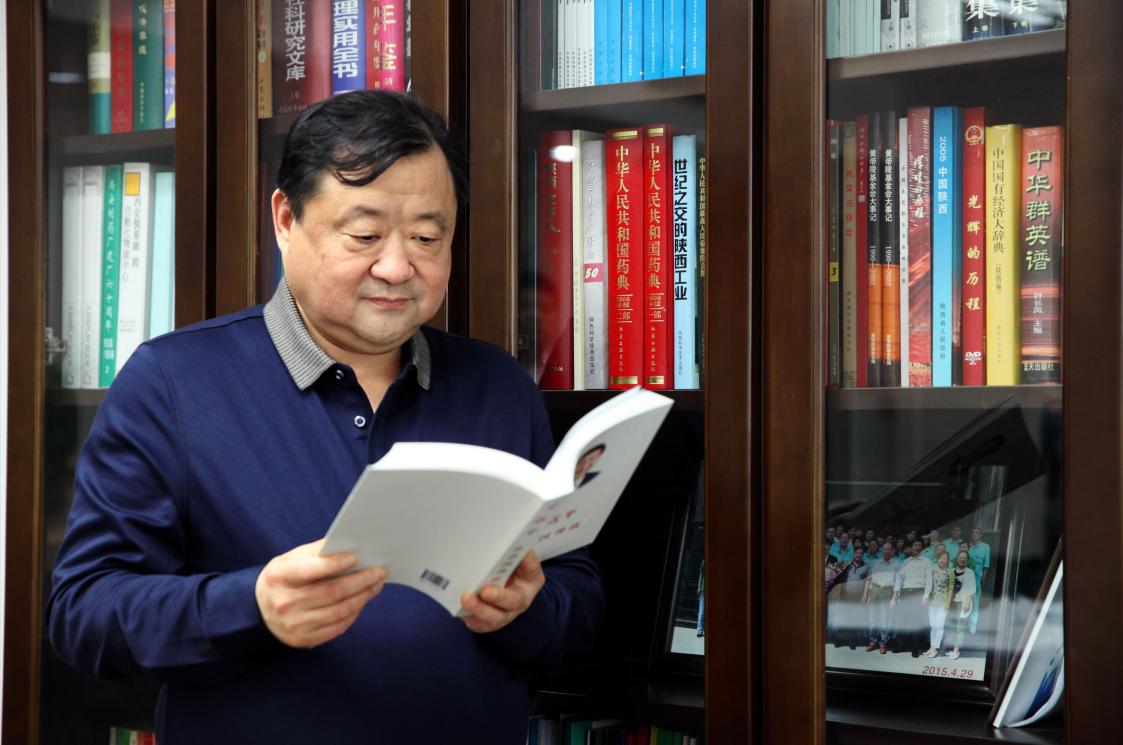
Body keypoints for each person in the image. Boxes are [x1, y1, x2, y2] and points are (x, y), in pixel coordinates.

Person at [43, 91, 605, 745]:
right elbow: (84, 614)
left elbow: (578, 604)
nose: (397, 267)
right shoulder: (172, 382)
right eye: (364, 236)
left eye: (427, 238)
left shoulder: (496, 386)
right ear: (286, 219)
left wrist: (525, 609)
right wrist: (250, 606)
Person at [893, 540, 932, 657]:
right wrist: (898, 594)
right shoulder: (905, 562)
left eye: (919, 545)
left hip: (918, 593)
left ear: (922, 548)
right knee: (903, 620)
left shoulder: (926, 561)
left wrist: (926, 596)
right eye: (915, 545)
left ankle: (915, 648)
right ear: (911, 548)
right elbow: (900, 579)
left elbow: (929, 580)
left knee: (916, 622)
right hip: (906, 593)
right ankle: (901, 645)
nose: (917, 547)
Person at [828, 545, 871, 649]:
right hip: (845, 594)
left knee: (853, 619)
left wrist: (864, 596)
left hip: (857, 595)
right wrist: (838, 594)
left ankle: (851, 641)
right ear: (853, 553)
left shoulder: (866, 566)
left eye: (860, 553)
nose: (858, 555)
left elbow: (867, 582)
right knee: (842, 618)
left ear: (863, 554)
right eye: (856, 553)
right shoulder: (847, 565)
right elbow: (840, 580)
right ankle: (839, 640)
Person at [864, 545, 899, 654]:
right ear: (882, 551)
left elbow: (898, 582)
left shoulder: (896, 564)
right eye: (884, 549)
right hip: (875, 591)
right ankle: (872, 642)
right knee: (873, 621)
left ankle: (883, 644)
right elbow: (872, 580)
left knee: (885, 621)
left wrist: (894, 598)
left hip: (887, 592)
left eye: (888, 549)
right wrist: (869, 596)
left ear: (892, 551)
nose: (886, 551)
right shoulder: (876, 563)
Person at [947, 551, 978, 659]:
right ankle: (953, 648)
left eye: (965, 558)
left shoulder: (969, 572)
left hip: (963, 602)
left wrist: (968, 604)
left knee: (960, 627)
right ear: (957, 559)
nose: (962, 560)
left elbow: (971, 589)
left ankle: (956, 650)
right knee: (952, 626)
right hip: (952, 602)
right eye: (960, 558)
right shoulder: (952, 571)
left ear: (967, 560)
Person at [925, 552, 954, 658]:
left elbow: (951, 588)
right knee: (933, 625)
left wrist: (948, 602)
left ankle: (936, 648)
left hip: (943, 601)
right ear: (937, 560)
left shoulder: (950, 572)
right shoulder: (933, 571)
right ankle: (931, 646)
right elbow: (929, 585)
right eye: (940, 558)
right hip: (932, 601)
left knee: (939, 625)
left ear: (948, 560)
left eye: (944, 558)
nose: (942, 560)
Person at [968, 528, 991, 633]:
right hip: (965, 579)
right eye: (973, 532)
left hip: (977, 578)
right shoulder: (967, 546)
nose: (974, 534)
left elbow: (986, 563)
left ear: (981, 535)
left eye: (977, 533)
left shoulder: (985, 547)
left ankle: (973, 625)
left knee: (975, 601)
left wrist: (984, 576)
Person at [696, 560, 705, 637]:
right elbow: (701, 574)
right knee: (701, 611)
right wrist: (699, 587)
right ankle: (700, 630)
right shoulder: (705, 561)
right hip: (704, 589)